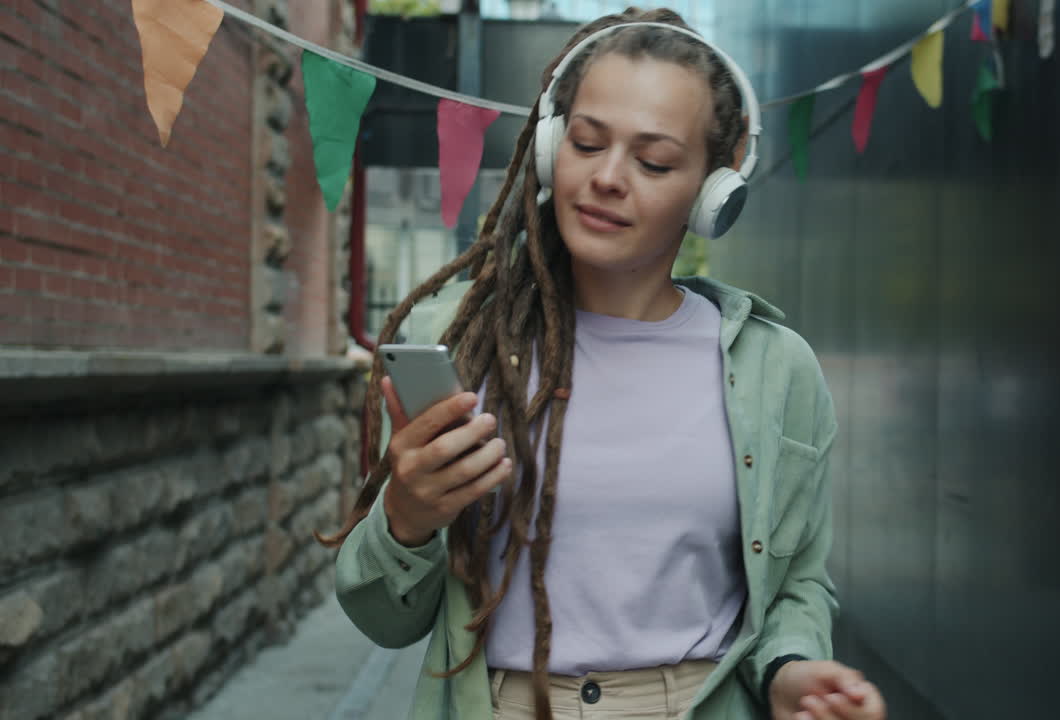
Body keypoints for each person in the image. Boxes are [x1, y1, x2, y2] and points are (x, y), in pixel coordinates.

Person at [318, 7, 886, 720]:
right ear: (553, 148)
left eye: (653, 161)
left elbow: (797, 584)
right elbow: (385, 620)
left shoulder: (777, 368)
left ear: (715, 192)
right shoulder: (458, 340)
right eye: (587, 144)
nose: (609, 178)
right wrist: (405, 518)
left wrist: (789, 671)